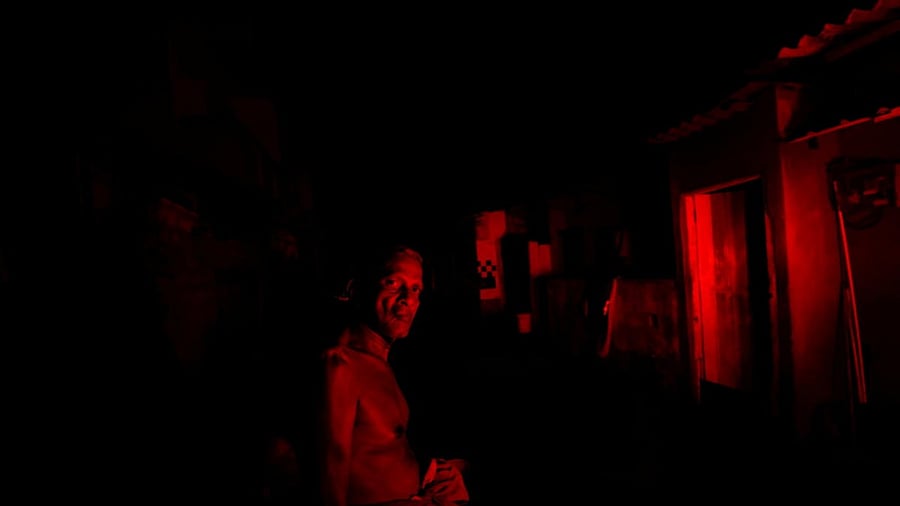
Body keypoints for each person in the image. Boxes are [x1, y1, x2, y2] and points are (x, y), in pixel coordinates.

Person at [316, 244, 469, 506]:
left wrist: (433, 474)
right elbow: (329, 485)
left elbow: (377, 452)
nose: (407, 298)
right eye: (392, 283)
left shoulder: (380, 362)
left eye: (415, 289)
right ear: (358, 290)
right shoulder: (340, 365)